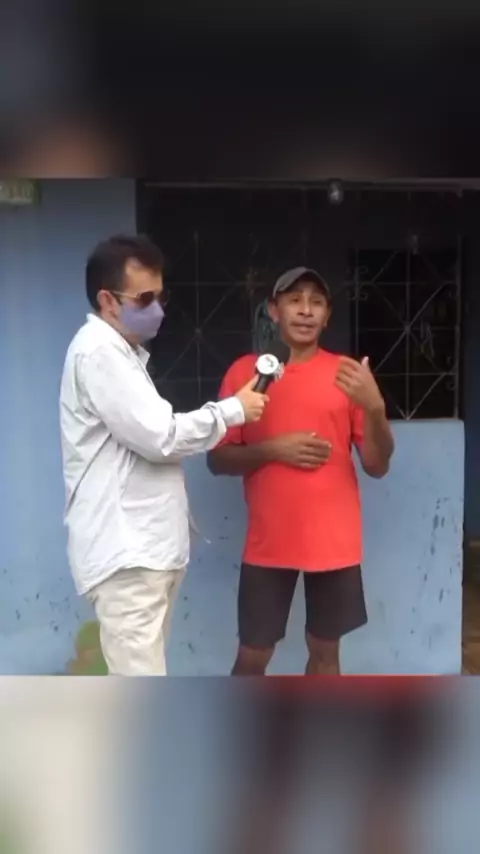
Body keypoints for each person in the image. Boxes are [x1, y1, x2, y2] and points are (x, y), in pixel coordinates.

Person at [60, 234, 268, 676]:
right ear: (107, 300)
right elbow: (161, 436)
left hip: (147, 553)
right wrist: (233, 410)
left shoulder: (123, 354)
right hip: (128, 553)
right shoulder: (100, 352)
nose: (157, 308)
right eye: (144, 298)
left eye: (160, 296)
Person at [207, 266, 394, 676]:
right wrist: (273, 450)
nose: (306, 310)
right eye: (294, 300)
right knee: (253, 656)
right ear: (274, 311)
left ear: (327, 316)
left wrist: (376, 408)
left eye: (316, 302)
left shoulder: (348, 374)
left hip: (334, 540)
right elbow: (217, 460)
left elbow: (377, 466)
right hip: (269, 540)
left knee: (326, 655)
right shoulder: (246, 373)